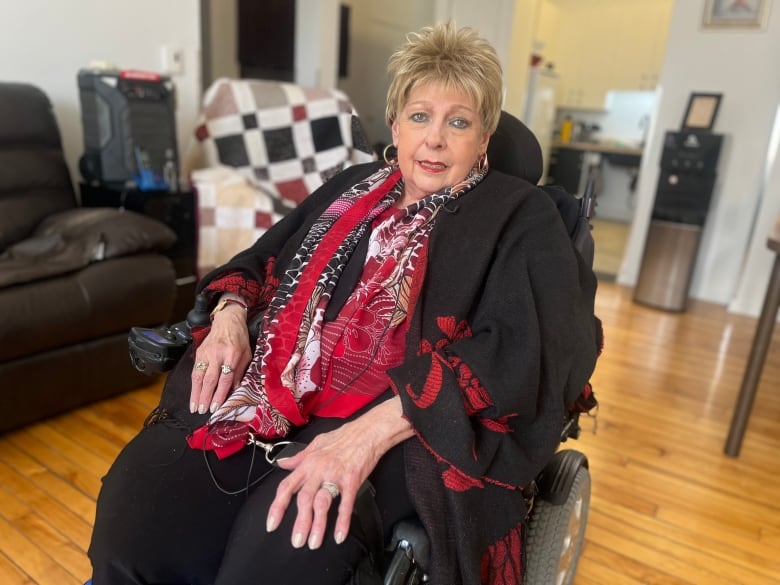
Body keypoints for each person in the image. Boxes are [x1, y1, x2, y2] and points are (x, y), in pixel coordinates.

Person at [88, 21, 598, 585]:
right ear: (396, 124)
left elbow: (525, 350)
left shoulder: (519, 214)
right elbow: (263, 259)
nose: (434, 139)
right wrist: (231, 314)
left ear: (484, 139)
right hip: (271, 394)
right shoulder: (353, 186)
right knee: (139, 526)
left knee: (285, 546)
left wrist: (368, 434)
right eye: (420, 116)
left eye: (459, 122)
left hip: (399, 422)